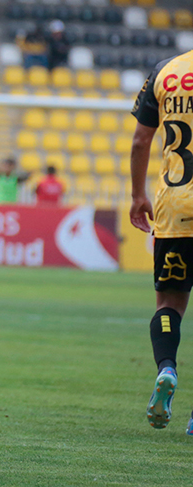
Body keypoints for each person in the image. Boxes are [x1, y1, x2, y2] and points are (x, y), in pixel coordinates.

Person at [131, 51, 193, 434]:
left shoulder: (167, 71)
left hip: (174, 206)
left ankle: (166, 368)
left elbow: (141, 141)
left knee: (169, 303)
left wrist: (138, 195)